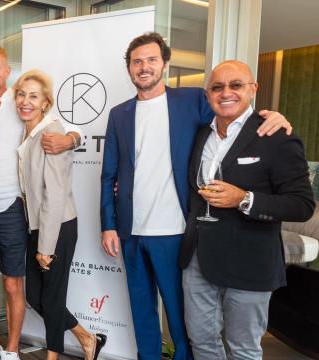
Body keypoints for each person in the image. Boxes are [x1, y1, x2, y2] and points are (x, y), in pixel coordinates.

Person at [100, 32, 292, 360]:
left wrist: (271, 115)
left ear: (163, 64)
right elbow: (109, 174)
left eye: (151, 60)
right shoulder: (119, 114)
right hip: (131, 231)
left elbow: (233, 116)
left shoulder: (192, 100)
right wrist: (108, 225)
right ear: (129, 68)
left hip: (176, 231)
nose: (144, 67)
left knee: (183, 320)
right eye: (137, 62)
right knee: (141, 310)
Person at [179, 60, 314, 360]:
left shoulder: (277, 135)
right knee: (201, 342)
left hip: (250, 262)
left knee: (243, 349)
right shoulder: (202, 134)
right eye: (217, 87)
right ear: (208, 94)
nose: (226, 92)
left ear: (253, 89)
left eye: (236, 85)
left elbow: (302, 204)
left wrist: (244, 199)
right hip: (198, 260)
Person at [0, 43, 82, 360]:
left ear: (6, 71)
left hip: (10, 208)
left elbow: (66, 125)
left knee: (13, 284)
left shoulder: (20, 101)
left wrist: (70, 139)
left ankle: (11, 350)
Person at [15, 70, 107, 360]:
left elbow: (54, 195)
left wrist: (46, 246)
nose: (25, 101)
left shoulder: (50, 134)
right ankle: (86, 337)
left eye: (33, 96)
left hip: (57, 227)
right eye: (21, 94)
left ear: (45, 102)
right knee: (35, 297)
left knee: (53, 299)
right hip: (36, 226)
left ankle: (53, 356)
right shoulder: (28, 131)